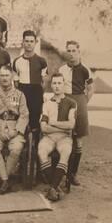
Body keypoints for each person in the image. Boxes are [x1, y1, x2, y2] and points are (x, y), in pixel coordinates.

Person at [0, 65, 29, 194]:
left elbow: (24, 114)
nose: (4, 78)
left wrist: (16, 131)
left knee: (16, 149)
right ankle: (5, 181)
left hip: (14, 128)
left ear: (12, 77)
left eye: (7, 75)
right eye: (2, 75)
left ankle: (2, 181)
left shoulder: (20, 95)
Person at [58, 40, 95, 186]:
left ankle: (73, 174)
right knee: (62, 137)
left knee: (78, 140)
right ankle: (61, 172)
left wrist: (84, 102)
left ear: (79, 52)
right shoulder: (62, 70)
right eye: (69, 51)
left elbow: (91, 88)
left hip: (80, 101)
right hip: (65, 100)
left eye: (74, 51)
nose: (71, 54)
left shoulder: (85, 69)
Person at [38, 73, 77, 201]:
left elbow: (71, 125)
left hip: (64, 138)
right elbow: (44, 127)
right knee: (41, 151)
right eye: (54, 83)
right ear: (51, 85)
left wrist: (53, 123)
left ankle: (52, 187)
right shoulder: (47, 103)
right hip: (48, 137)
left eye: (59, 83)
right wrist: (62, 126)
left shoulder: (71, 103)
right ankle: (55, 188)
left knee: (65, 152)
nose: (56, 86)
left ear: (64, 84)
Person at [12, 30, 48, 131]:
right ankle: (23, 142)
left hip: (36, 91)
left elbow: (44, 82)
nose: (29, 44)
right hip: (22, 91)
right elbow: (16, 82)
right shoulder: (17, 61)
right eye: (26, 41)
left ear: (35, 42)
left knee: (35, 120)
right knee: (22, 118)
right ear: (23, 42)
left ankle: (35, 144)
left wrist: (40, 93)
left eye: (31, 41)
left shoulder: (42, 61)